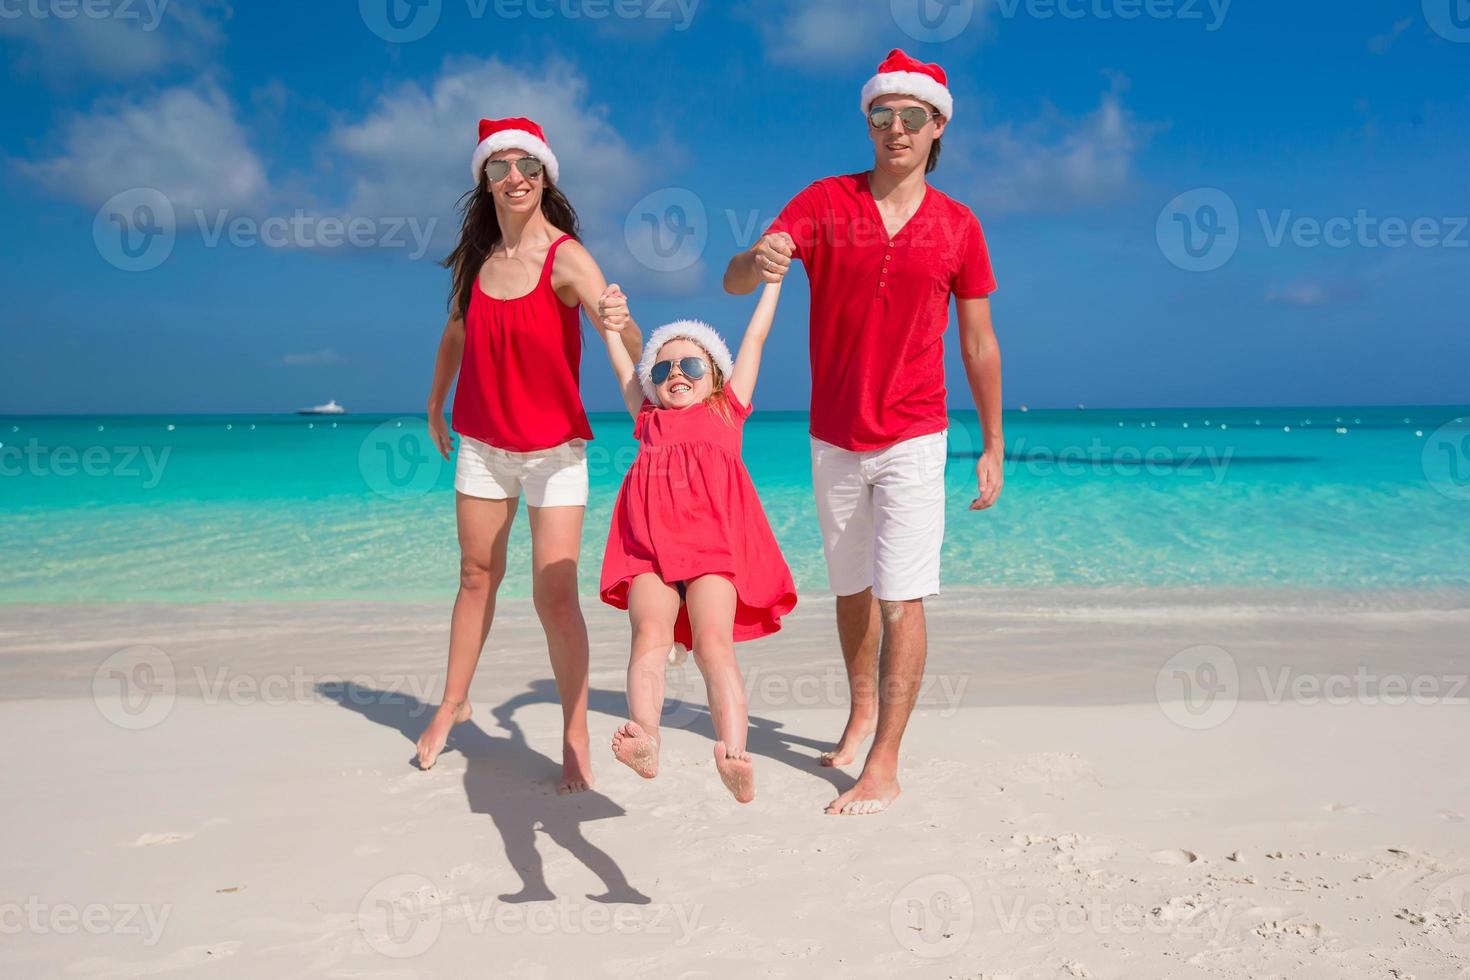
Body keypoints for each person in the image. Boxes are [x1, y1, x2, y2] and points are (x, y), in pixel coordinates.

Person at [723, 49, 1005, 815]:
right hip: (833, 436)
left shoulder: (959, 227)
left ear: (937, 125)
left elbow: (979, 343)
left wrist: (993, 442)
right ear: (869, 122)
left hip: (915, 434)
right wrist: (759, 254)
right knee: (851, 590)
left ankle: (883, 763)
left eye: (912, 117)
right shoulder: (821, 202)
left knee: (901, 598)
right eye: (883, 116)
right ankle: (859, 718)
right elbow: (736, 279)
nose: (896, 129)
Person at [417, 117, 643, 794]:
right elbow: (454, 332)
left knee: (554, 595)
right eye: (499, 168)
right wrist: (436, 403)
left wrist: (627, 328)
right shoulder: (477, 262)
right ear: (483, 181)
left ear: (545, 177)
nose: (514, 178)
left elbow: (619, 329)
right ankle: (453, 702)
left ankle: (574, 733)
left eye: (527, 167)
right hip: (483, 445)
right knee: (475, 575)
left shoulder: (567, 258)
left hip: (555, 452)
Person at [594, 280, 797, 803]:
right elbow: (621, 364)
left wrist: (771, 282)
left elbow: (755, 337)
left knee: (712, 644)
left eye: (690, 366)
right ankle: (647, 737)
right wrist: (611, 323)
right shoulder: (647, 418)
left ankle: (733, 756)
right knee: (649, 638)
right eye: (662, 369)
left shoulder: (727, 410)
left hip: (713, 553)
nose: (676, 374)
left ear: (716, 378)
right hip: (648, 552)